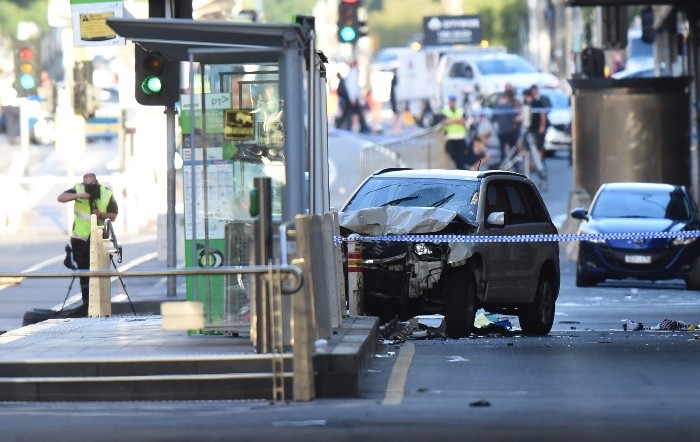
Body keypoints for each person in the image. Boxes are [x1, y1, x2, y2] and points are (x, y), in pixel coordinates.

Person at [57, 173, 118, 309]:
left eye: (92, 184)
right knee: (84, 272)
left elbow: (113, 215)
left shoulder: (106, 193)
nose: (89, 187)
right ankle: (87, 303)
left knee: (100, 272)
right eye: (86, 184)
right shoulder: (78, 190)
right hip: (80, 238)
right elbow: (61, 198)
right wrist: (78, 196)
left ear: (97, 182)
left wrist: (101, 215)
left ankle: (101, 303)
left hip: (99, 237)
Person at [492, 82, 521, 160]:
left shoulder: (497, 107)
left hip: (501, 132)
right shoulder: (509, 107)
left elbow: (493, 119)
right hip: (509, 131)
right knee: (513, 150)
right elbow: (515, 119)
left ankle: (503, 166)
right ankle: (516, 166)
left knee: (503, 151)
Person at [442, 95, 468, 169]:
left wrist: (452, 120)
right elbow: (445, 122)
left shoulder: (460, 110)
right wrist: (457, 120)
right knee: (454, 156)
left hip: (461, 137)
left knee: (462, 157)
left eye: (453, 101)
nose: (452, 103)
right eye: (451, 101)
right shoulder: (445, 111)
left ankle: (461, 169)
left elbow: (464, 121)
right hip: (451, 138)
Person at [528, 84, 548, 158]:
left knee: (539, 146)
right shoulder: (529, 103)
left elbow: (543, 115)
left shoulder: (539, 102)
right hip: (531, 127)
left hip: (538, 127)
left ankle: (540, 161)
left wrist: (542, 126)